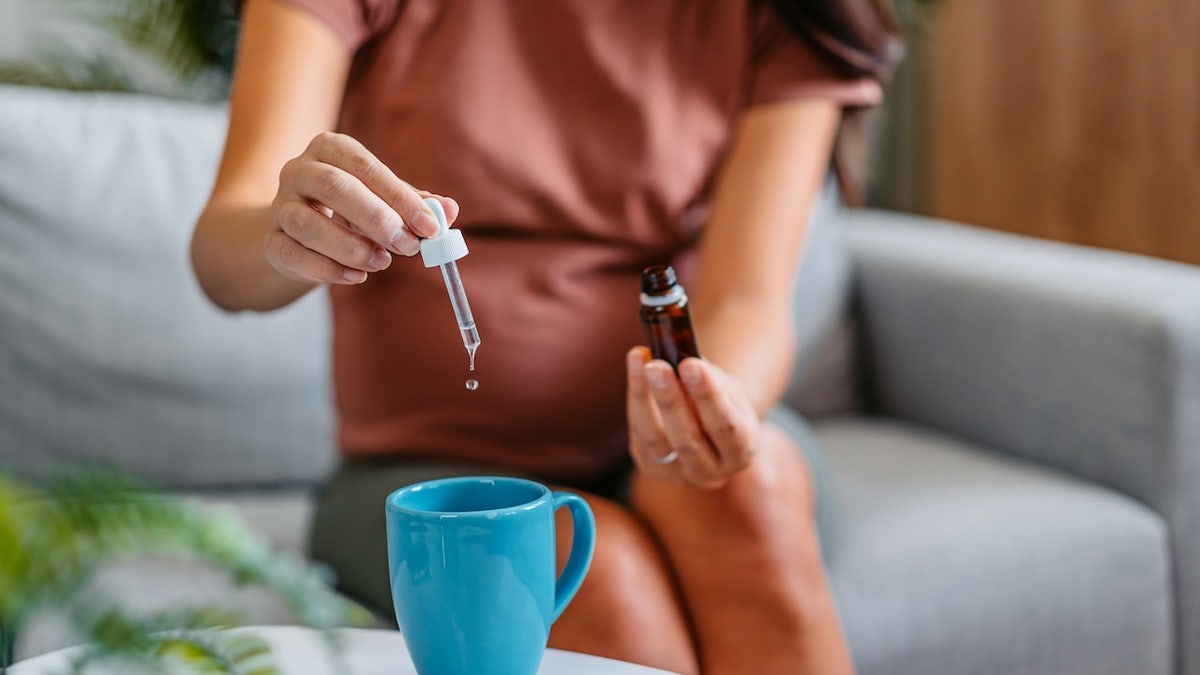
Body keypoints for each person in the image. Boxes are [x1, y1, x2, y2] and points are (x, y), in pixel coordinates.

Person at [191, 1, 902, 673]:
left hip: (660, 466)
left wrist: (706, 411)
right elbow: (224, 257)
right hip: (424, 478)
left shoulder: (781, 13)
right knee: (588, 571)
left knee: (748, 488)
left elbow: (747, 297)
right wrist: (284, 232)